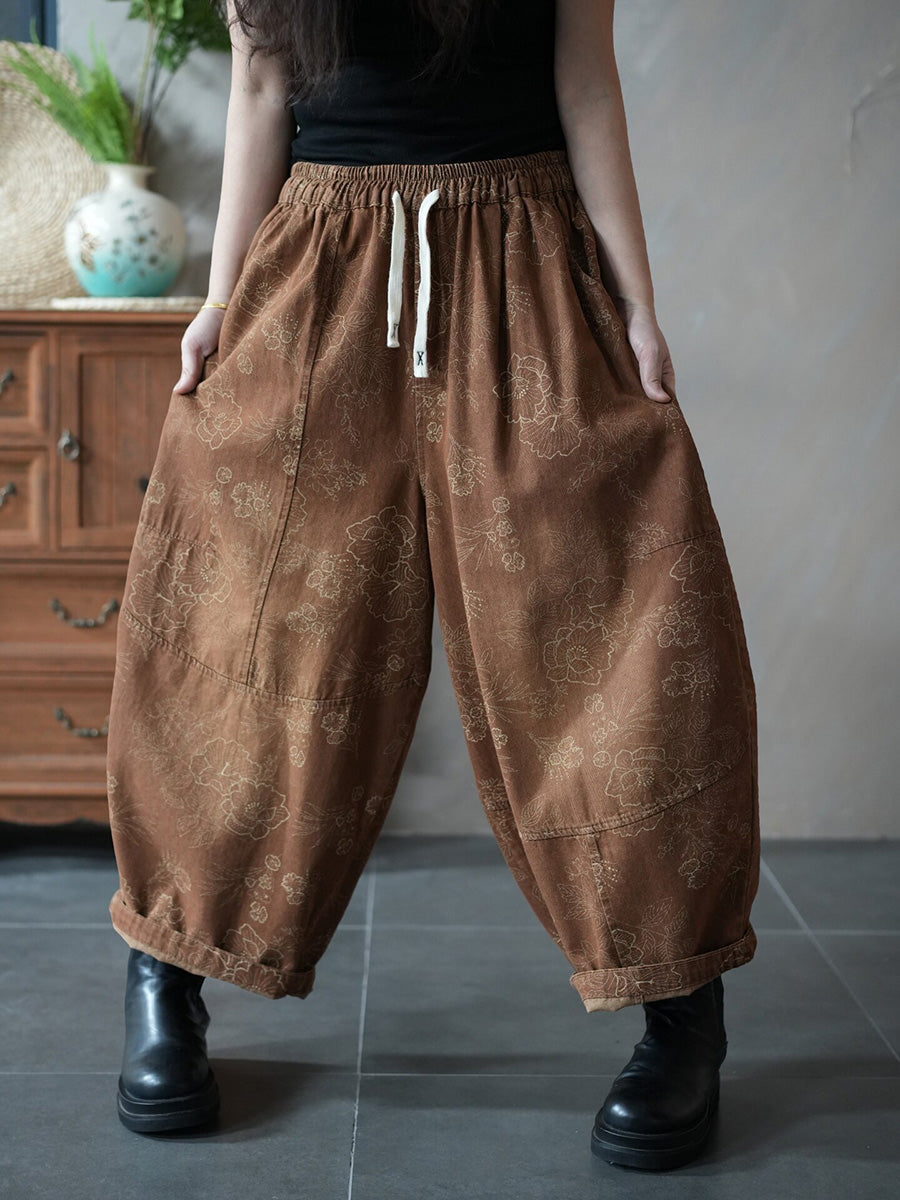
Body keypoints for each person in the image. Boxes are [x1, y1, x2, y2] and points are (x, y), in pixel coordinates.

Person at [106, 0, 760, 1172]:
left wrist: (638, 306)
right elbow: (261, 88)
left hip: (528, 263)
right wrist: (219, 302)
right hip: (317, 268)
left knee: (618, 627)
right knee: (239, 625)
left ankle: (681, 1009)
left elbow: (588, 85)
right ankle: (166, 968)